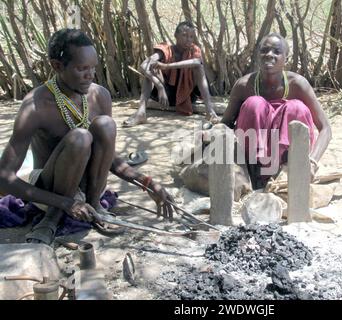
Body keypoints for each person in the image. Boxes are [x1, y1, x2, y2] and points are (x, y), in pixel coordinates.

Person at [0, 28, 175, 245]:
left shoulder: (99, 95)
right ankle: (51, 220)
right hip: (51, 191)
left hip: (88, 187)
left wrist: (147, 183)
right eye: (82, 69)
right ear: (57, 66)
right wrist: (65, 203)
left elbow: (107, 157)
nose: (90, 75)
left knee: (105, 125)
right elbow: (4, 178)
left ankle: (95, 205)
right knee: (80, 138)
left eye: (93, 68)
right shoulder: (36, 105)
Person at [220, 33, 332, 189]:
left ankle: (287, 170)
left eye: (276, 51)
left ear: (286, 57)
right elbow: (225, 124)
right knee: (254, 104)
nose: (269, 55)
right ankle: (256, 173)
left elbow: (326, 128)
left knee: (296, 108)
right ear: (258, 55)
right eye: (264, 50)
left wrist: (312, 161)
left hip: (289, 161)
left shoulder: (298, 84)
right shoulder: (243, 85)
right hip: (254, 159)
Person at [123, 21, 218, 127]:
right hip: (165, 97)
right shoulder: (166, 49)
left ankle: (210, 111)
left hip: (187, 95)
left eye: (191, 37)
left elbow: (197, 62)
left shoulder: (194, 50)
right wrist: (159, 87)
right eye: (185, 35)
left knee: (198, 67)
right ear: (176, 35)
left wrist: (167, 66)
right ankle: (141, 113)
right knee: (151, 69)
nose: (188, 40)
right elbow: (143, 65)